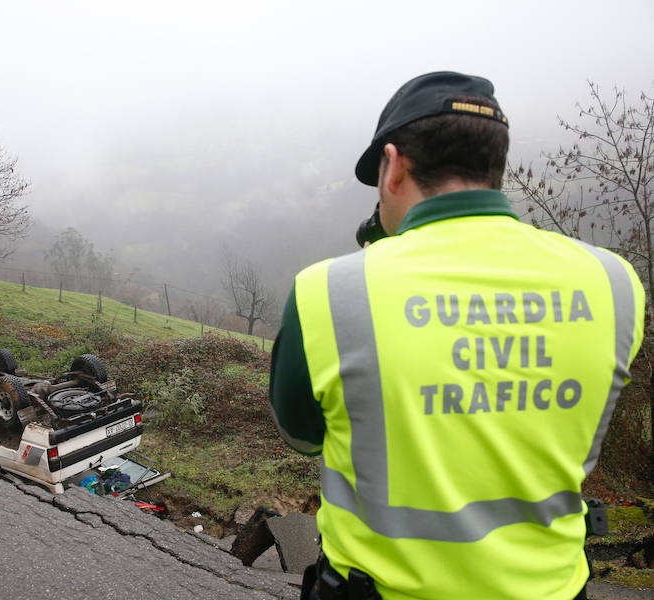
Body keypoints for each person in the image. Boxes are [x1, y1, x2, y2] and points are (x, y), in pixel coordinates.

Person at [269, 71, 645, 600]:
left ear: (394, 166)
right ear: (494, 166)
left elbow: (301, 437)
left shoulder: (327, 291)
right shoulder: (615, 283)